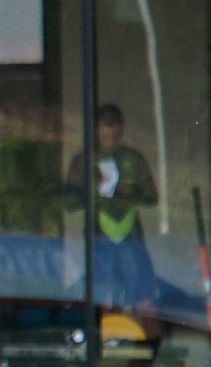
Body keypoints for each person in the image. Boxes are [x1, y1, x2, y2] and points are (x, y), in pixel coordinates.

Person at [65, 103, 159, 311]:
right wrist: (94, 189)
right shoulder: (84, 161)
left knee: (143, 291)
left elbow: (152, 198)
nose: (111, 141)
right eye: (106, 135)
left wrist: (129, 192)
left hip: (131, 236)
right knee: (101, 292)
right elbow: (70, 202)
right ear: (96, 130)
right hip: (99, 237)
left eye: (115, 136)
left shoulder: (133, 159)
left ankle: (140, 329)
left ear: (122, 131)